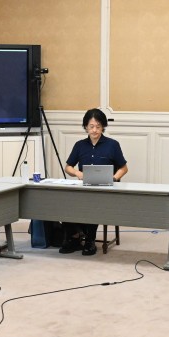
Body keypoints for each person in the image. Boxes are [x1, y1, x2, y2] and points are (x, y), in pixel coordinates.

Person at [62, 108, 128, 256]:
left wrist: (114, 178)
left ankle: (90, 240)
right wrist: (77, 173)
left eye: (98, 126)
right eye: (91, 126)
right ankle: (74, 237)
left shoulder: (112, 145)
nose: (94, 130)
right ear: (86, 127)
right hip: (83, 187)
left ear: (103, 126)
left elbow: (124, 168)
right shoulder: (80, 145)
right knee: (64, 201)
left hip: (104, 190)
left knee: (93, 202)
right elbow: (68, 167)